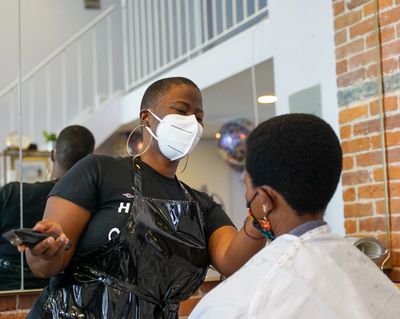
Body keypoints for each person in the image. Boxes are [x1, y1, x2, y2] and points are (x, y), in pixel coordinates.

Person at [23, 77, 268, 319]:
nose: (191, 123)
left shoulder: (201, 205)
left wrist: (258, 219)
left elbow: (231, 261)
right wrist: (45, 250)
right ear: (146, 117)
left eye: (199, 118)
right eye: (181, 110)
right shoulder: (99, 171)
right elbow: (44, 266)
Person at [189, 113, 400, 319]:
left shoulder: (236, 303)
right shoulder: (378, 284)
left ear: (264, 199)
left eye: (247, 186)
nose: (246, 195)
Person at [0, 125, 95, 290]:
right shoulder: (93, 207)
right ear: (90, 160)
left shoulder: (12, 193)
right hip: (60, 297)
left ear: (52, 155)